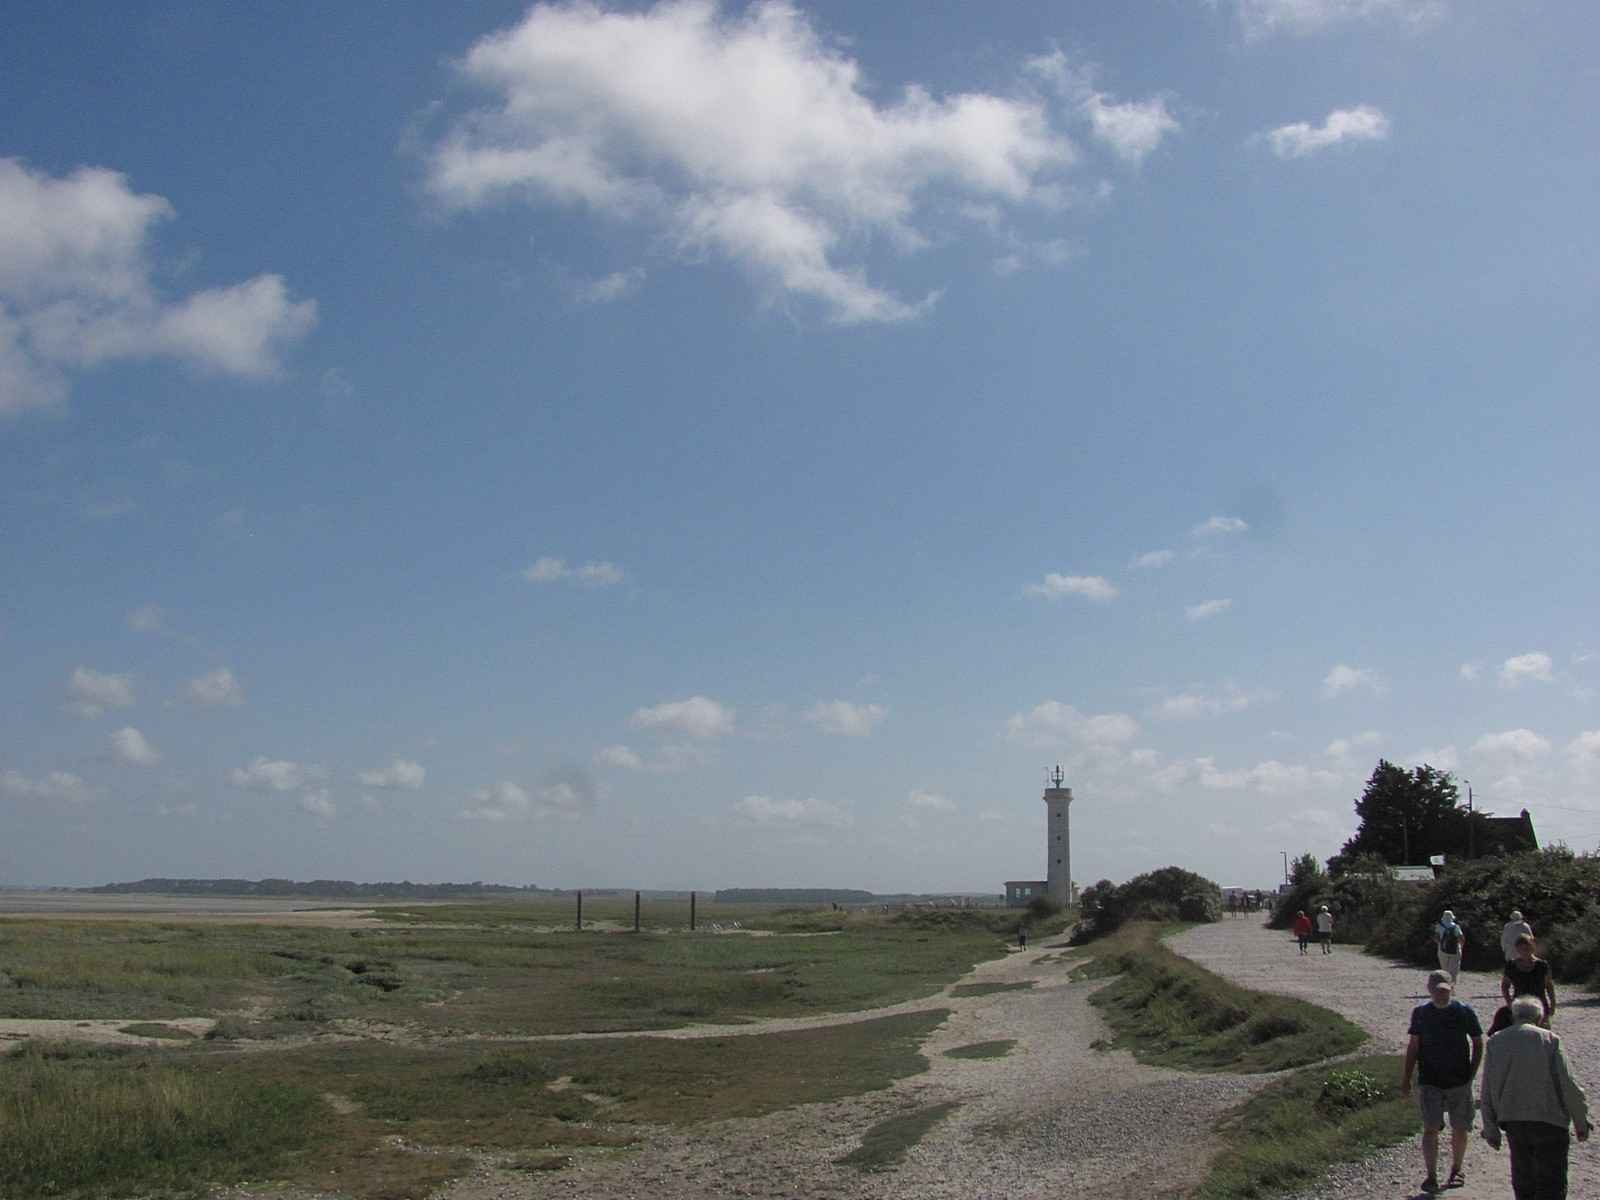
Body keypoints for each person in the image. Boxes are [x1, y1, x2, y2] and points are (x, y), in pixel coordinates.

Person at [1480, 995, 1591, 1199]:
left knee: (1524, 1183)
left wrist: (1490, 1128)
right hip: (1550, 1120)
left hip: (1514, 1121)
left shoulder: (1496, 1041)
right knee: (1551, 1184)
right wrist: (1580, 1121)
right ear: (1540, 1018)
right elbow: (1568, 1084)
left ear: (1514, 1016)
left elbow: (1488, 1087)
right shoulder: (1550, 1040)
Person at [1402, 969, 1484, 1192]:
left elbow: (1478, 1042)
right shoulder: (1420, 1013)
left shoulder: (1464, 1011)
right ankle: (1431, 1176)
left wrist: (1471, 1074)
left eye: (1445, 991)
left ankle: (1457, 1169)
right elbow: (1414, 1046)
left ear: (1452, 989)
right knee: (1430, 1128)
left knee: (1460, 1127)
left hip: (1459, 1080)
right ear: (1429, 990)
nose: (1441, 995)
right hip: (1430, 1079)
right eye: (1437, 991)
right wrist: (1406, 1078)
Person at [1502, 934, 1557, 1024]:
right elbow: (1505, 986)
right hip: (1519, 1007)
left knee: (1542, 1030)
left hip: (1540, 1005)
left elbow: (1549, 986)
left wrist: (1553, 1004)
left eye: (1527, 948)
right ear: (1517, 949)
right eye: (1522, 948)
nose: (1525, 951)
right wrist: (1509, 1002)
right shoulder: (1511, 966)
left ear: (1533, 947)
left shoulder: (1542, 965)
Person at [1437, 910, 1466, 984]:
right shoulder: (1456, 926)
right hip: (1455, 950)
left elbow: (1437, 938)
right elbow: (1462, 938)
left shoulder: (1439, 926)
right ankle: (1452, 985)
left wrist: (1441, 944)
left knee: (1444, 969)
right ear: (1452, 917)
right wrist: (1461, 947)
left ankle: (1445, 984)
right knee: (1454, 970)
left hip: (1442, 950)